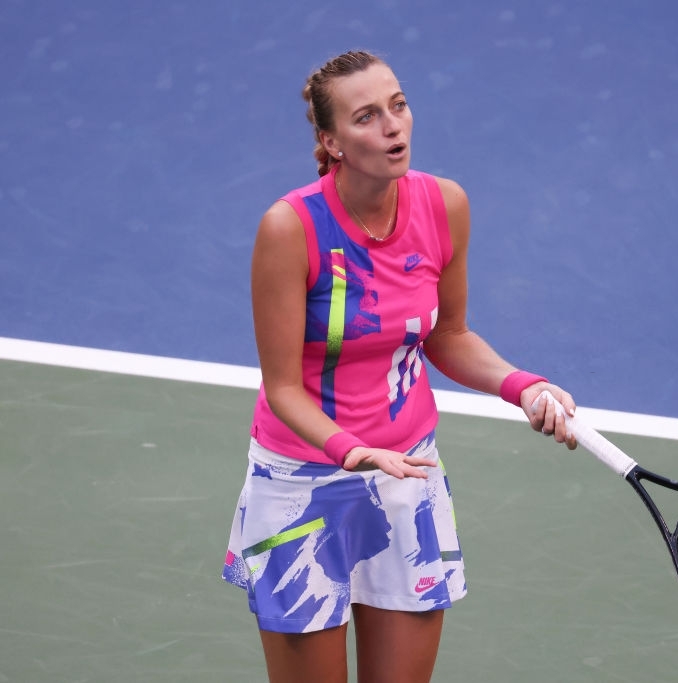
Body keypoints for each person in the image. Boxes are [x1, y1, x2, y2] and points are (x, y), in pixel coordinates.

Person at [221, 50, 577, 683]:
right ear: (330, 141)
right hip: (304, 485)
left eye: (398, 105)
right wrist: (353, 451)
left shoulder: (445, 205)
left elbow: (449, 336)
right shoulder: (290, 228)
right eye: (366, 116)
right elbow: (281, 388)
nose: (393, 127)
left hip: (407, 478)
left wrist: (523, 386)